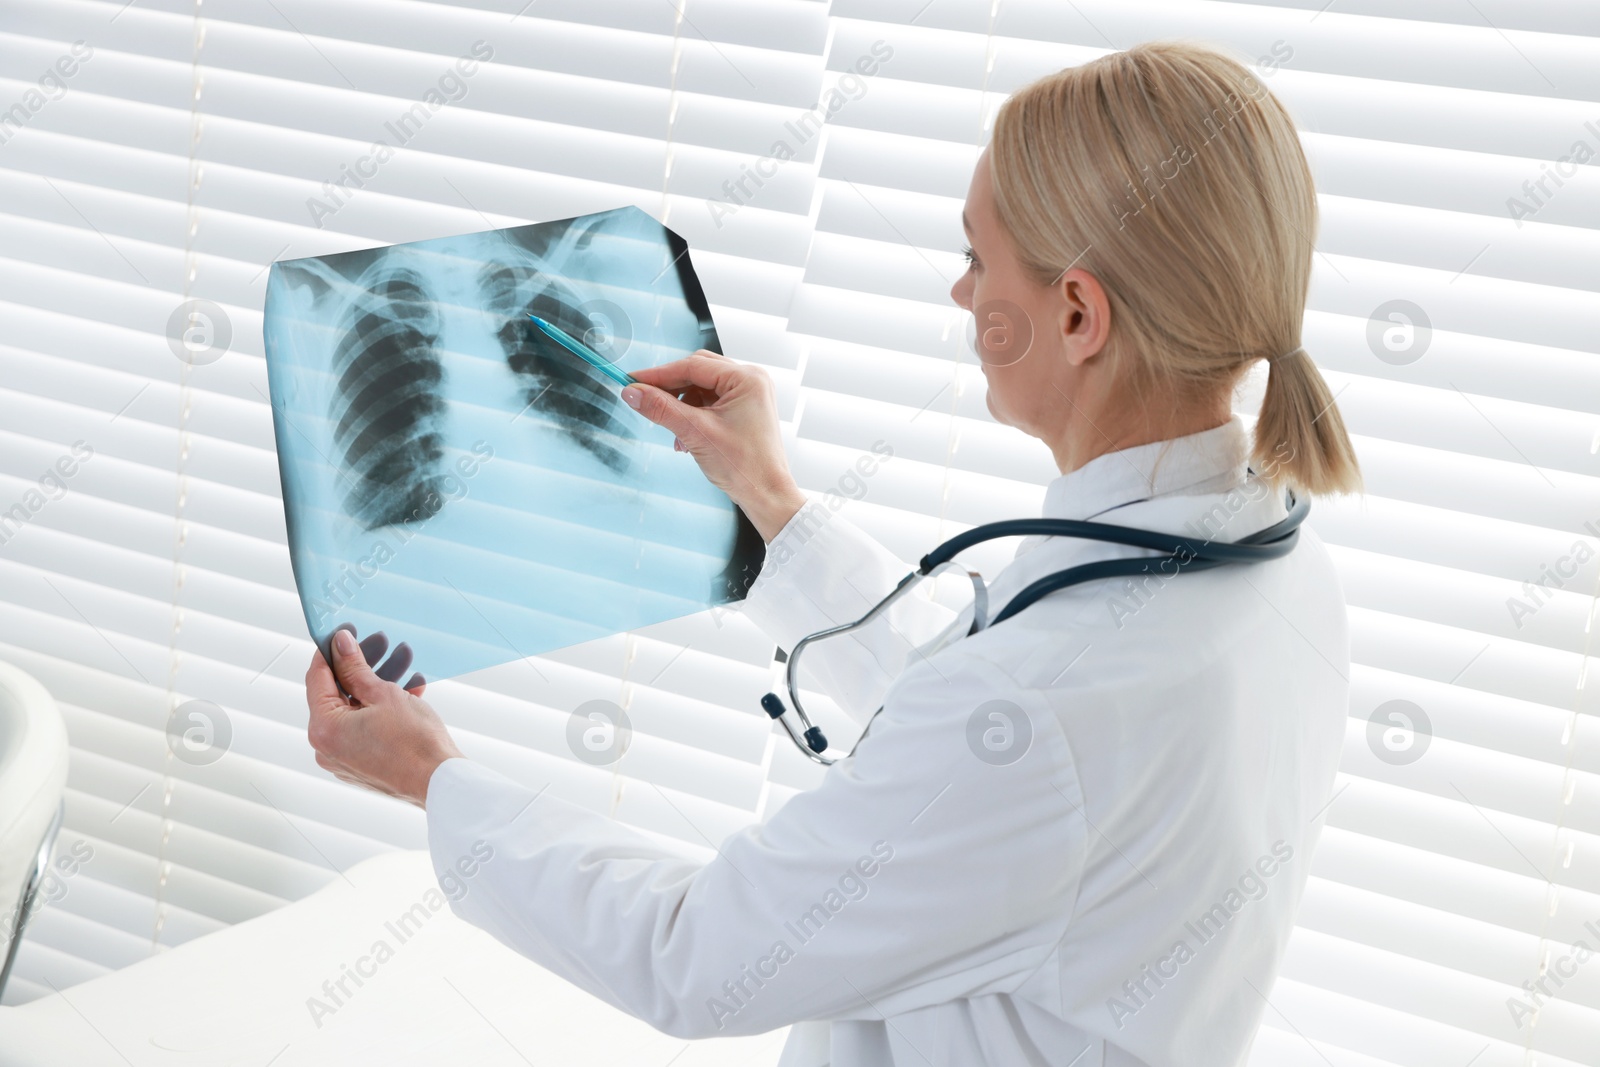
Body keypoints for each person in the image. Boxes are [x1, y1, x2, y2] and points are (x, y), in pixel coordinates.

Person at [305, 40, 1361, 1066]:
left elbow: (697, 955)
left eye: (975, 258)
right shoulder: (1272, 563)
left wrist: (433, 777)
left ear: (1078, 312)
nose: (961, 295)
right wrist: (770, 501)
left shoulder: (1055, 695)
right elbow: (991, 746)